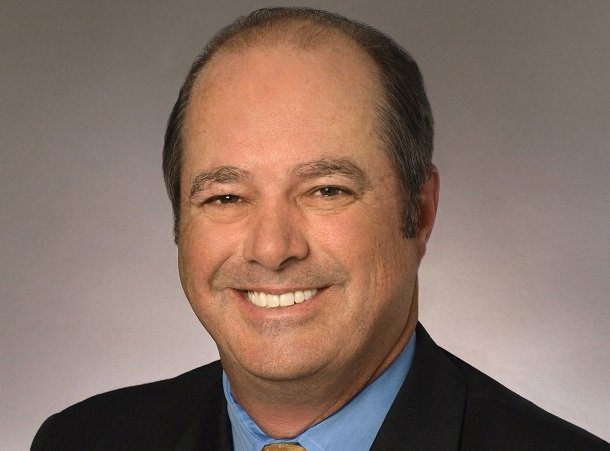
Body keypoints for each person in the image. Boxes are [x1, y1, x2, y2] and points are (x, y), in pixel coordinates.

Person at [32, 7, 608, 451]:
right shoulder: (80, 441)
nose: (272, 249)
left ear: (421, 211)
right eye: (225, 196)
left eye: (326, 190)